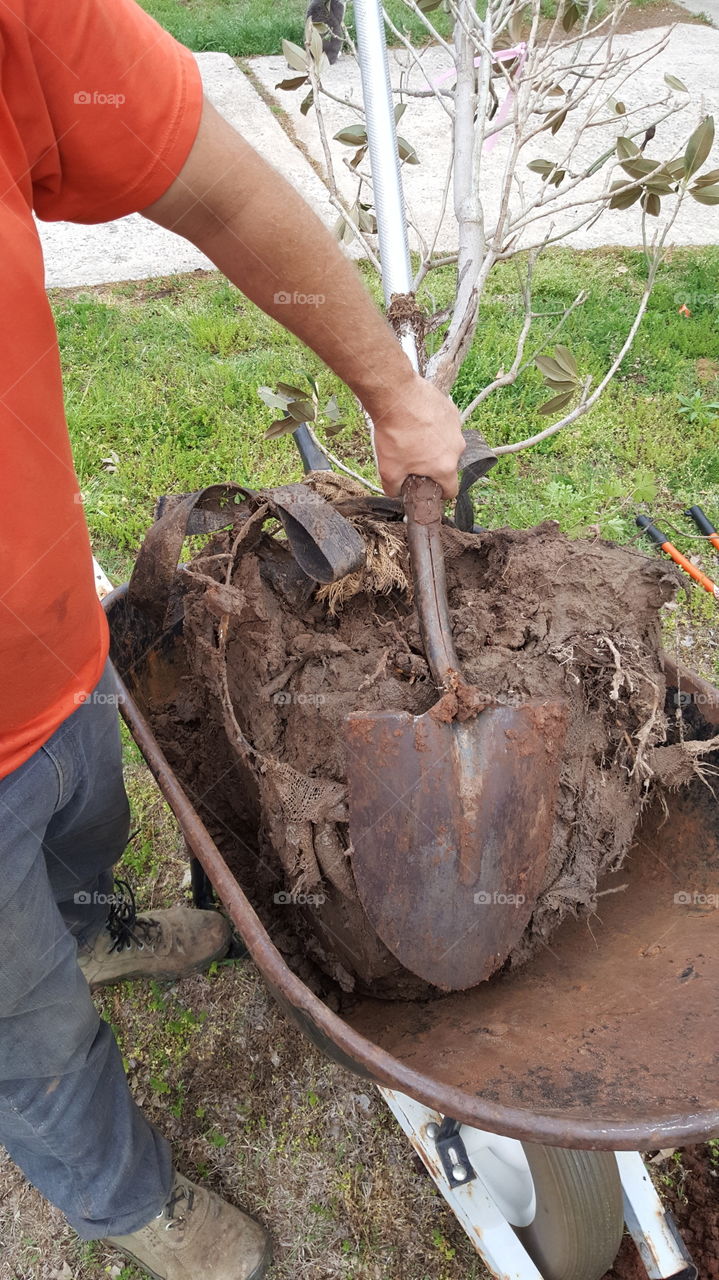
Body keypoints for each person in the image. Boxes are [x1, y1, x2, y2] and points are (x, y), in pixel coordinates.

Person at [0, 1, 465, 1277]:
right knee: (23, 1029)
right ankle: (119, 1199)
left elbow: (215, 184)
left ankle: (94, 928)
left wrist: (392, 386)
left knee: (86, 824)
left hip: (48, 649)